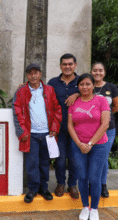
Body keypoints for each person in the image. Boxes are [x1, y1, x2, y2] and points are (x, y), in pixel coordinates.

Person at [13, 64, 62, 203]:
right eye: (30, 73)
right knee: (32, 163)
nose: (33, 76)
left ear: (40, 74)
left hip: (47, 134)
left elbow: (57, 109)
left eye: (36, 73)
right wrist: (22, 131)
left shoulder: (49, 90)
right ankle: (33, 190)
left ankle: (43, 188)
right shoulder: (21, 91)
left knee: (45, 163)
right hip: (31, 134)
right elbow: (17, 112)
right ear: (27, 76)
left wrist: (54, 127)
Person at [68, 74, 110, 220]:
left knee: (94, 178)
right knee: (83, 176)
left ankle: (94, 209)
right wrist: (80, 144)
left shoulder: (101, 100)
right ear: (78, 86)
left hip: (98, 146)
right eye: (81, 84)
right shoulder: (74, 101)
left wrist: (90, 143)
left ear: (93, 85)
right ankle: (85, 207)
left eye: (88, 84)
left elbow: (105, 124)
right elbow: (70, 125)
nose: (84, 87)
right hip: (78, 146)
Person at [47, 53, 80, 199]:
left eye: (70, 64)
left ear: (75, 65)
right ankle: (60, 183)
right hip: (58, 128)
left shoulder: (81, 81)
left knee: (74, 159)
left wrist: (77, 94)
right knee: (59, 159)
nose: (67, 67)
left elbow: (91, 92)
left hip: (77, 129)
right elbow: (44, 95)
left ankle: (72, 185)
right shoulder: (53, 82)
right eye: (64, 64)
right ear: (60, 66)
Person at [91, 62, 118, 198]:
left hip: (108, 129)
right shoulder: (88, 87)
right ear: (91, 72)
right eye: (95, 70)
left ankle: (102, 184)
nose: (97, 73)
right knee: (91, 157)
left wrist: (105, 116)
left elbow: (117, 106)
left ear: (104, 72)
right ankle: (92, 183)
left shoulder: (111, 87)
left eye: (100, 70)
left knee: (103, 158)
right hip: (90, 130)